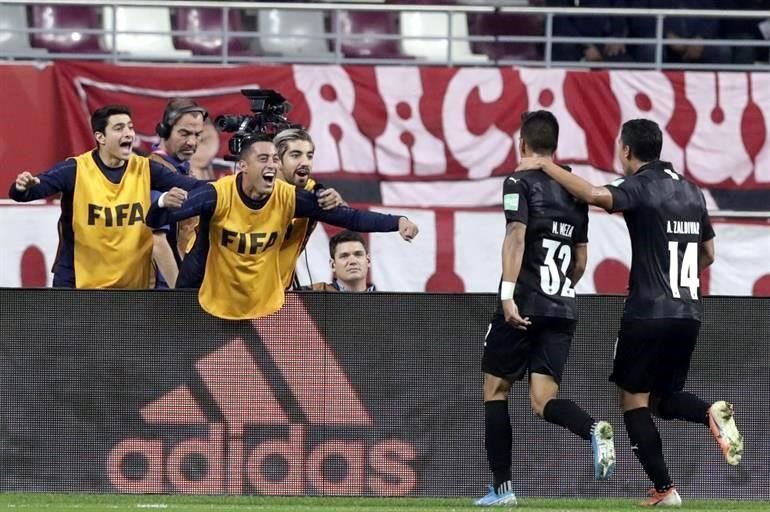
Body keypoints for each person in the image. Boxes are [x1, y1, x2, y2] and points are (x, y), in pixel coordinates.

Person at [520, 118, 743, 506]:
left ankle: (665, 489)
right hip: (688, 312)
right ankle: (709, 412)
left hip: (647, 311)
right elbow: (708, 253)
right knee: (663, 398)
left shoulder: (641, 186)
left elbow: (592, 194)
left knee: (633, 401)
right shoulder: (692, 191)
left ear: (627, 150)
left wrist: (544, 164)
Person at [476, 111, 616, 507]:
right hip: (562, 306)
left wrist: (507, 294)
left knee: (496, 390)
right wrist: (561, 291)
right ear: (555, 147)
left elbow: (515, 237)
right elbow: (581, 259)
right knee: (542, 400)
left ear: (521, 143)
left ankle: (502, 490)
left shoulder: (517, 182)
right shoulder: (574, 188)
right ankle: (592, 428)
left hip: (523, 303)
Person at [146, 133, 418, 320]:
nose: (272, 165)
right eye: (263, 159)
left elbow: (350, 218)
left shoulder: (289, 197)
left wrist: (397, 222)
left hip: (264, 302)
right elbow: (155, 221)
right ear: (242, 166)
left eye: (275, 159)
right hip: (210, 297)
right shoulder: (217, 194)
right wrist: (161, 205)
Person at [9, 104, 205, 289]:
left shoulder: (146, 169)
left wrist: (230, 184)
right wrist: (23, 188)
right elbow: (31, 190)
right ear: (100, 137)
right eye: (119, 128)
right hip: (78, 284)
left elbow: (192, 186)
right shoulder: (75, 170)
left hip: (132, 287)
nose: (128, 133)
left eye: (130, 127)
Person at [273, 128, 347, 290]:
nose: (305, 162)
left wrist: (338, 204)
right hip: (241, 292)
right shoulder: (257, 191)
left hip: (281, 291)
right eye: (296, 155)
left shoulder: (312, 190)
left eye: (309, 155)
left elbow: (349, 219)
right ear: (277, 160)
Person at [150, 98, 209, 288]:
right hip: (165, 291)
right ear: (164, 131)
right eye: (184, 133)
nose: (191, 142)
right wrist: (178, 293)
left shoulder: (184, 170)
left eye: (197, 134)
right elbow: (157, 242)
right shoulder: (154, 170)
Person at [309, 230, 376, 292]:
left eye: (358, 254)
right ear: (333, 265)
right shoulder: (309, 296)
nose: (352, 261)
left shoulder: (384, 301)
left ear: (368, 261)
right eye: (344, 256)